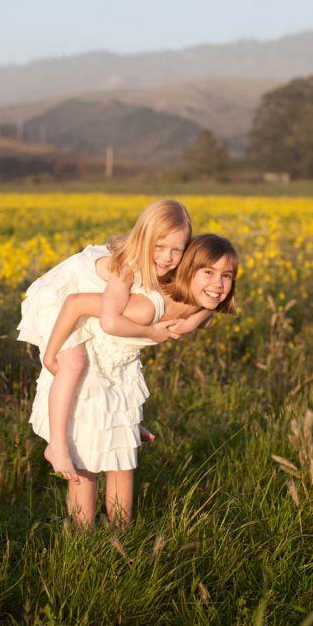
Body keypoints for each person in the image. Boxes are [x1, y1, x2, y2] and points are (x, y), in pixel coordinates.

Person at [31, 233, 239, 528]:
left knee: (123, 460)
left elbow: (208, 313)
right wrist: (51, 356)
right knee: (86, 463)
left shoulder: (201, 306)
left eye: (226, 275)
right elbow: (75, 303)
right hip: (91, 364)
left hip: (120, 373)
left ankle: (122, 534)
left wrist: (194, 318)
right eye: (208, 272)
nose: (218, 284)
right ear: (186, 272)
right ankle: (82, 539)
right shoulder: (145, 306)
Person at [17, 199, 193, 484]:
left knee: (102, 365)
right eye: (159, 247)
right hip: (57, 296)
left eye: (177, 250)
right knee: (74, 362)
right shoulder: (127, 267)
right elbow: (110, 321)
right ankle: (57, 446)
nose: (167, 257)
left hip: (80, 299)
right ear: (143, 239)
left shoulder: (162, 267)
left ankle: (119, 423)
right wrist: (152, 333)